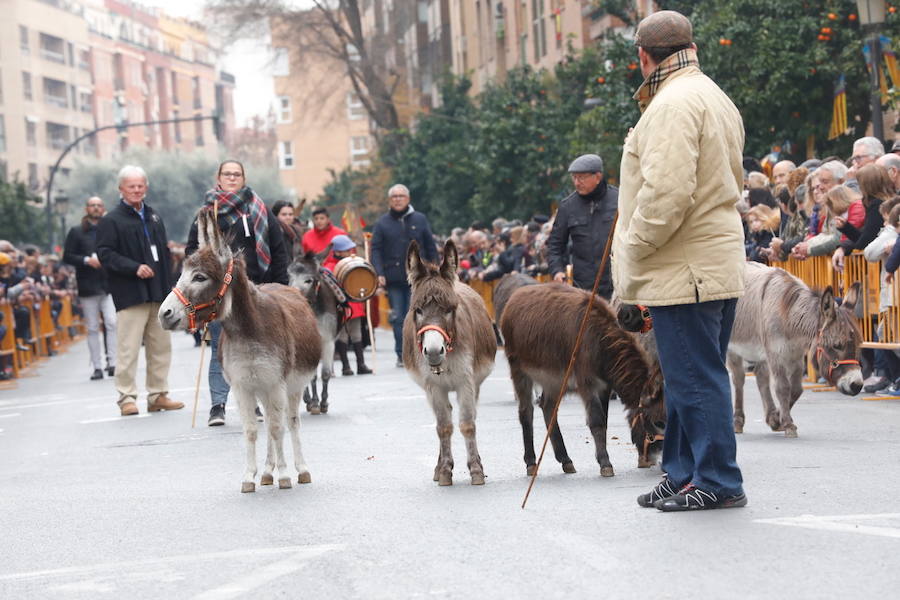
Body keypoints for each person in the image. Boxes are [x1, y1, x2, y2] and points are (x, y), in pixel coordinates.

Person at [613, 10, 747, 511]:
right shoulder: (711, 94)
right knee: (689, 375)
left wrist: (633, 246)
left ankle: (716, 479)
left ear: (643, 56)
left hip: (685, 265)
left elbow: (667, 194)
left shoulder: (672, 104)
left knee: (694, 377)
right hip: (709, 260)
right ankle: (684, 471)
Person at [186, 160, 289, 427]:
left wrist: (280, 286)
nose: (232, 178)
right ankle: (217, 405)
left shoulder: (258, 208)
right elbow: (191, 254)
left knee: (257, 347)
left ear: (243, 177)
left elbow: (277, 249)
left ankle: (253, 403)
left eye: (237, 174)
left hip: (258, 291)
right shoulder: (208, 213)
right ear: (218, 177)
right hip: (220, 294)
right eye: (227, 174)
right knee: (221, 349)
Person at [96, 165, 182, 416]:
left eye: (140, 185)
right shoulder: (110, 220)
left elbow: (164, 255)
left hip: (158, 293)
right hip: (131, 294)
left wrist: (171, 290)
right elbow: (105, 254)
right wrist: (134, 267)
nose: (136, 190)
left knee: (161, 346)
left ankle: (158, 395)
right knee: (128, 349)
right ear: (121, 189)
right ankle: (126, 398)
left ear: (146, 187)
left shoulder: (154, 216)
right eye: (131, 186)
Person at [370, 183, 437, 367]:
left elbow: (430, 246)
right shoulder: (382, 223)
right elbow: (375, 249)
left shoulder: (420, 219)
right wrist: (379, 273)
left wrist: (436, 270)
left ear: (408, 199)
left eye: (401, 196)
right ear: (390, 200)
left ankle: (422, 350)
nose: (398, 199)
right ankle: (403, 353)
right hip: (394, 278)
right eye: (394, 196)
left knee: (420, 314)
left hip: (419, 278)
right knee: (399, 317)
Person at [547, 153, 618, 297]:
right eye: (574, 178)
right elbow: (554, 245)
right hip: (582, 288)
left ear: (597, 177)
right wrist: (557, 271)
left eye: (581, 177)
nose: (577, 183)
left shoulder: (619, 199)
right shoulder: (567, 206)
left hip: (617, 284)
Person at [63, 196, 117, 380]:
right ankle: (97, 367)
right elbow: (67, 256)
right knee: (93, 327)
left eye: (99, 205)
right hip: (87, 285)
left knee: (112, 322)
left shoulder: (110, 228)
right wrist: (86, 260)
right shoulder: (76, 231)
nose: (95, 208)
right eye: (92, 205)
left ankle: (113, 363)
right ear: (87, 208)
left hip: (109, 284)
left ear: (103, 208)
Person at [329, 234, 373, 376]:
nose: (350, 252)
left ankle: (361, 364)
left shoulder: (356, 263)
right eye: (347, 250)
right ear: (337, 251)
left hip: (355, 305)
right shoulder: (330, 267)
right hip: (339, 307)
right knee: (342, 336)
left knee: (356, 334)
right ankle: (345, 366)